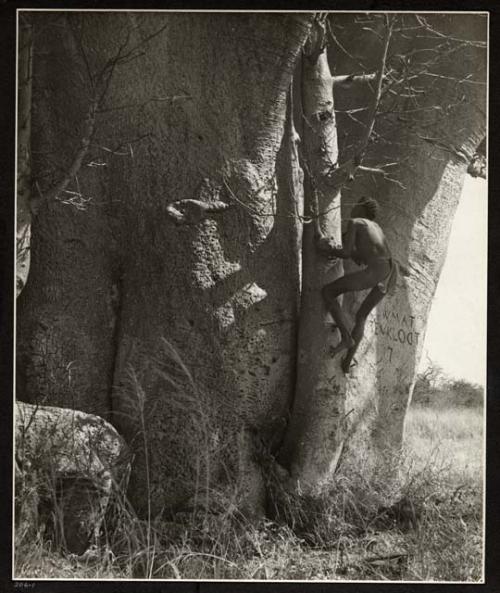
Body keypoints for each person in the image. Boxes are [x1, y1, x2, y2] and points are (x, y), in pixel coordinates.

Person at [316, 196, 398, 373]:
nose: (352, 208)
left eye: (355, 205)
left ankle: (346, 337)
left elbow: (345, 253)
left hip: (377, 269)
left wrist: (328, 249)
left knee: (328, 291)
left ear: (361, 207)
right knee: (361, 316)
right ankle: (347, 363)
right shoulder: (375, 227)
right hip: (390, 271)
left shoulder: (355, 222)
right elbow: (363, 255)